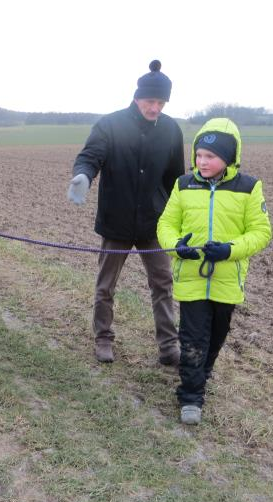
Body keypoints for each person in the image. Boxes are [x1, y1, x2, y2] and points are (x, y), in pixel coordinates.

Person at [68, 60, 185, 365]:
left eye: (161, 102)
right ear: (137, 97)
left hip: (154, 223)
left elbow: (175, 178)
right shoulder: (110, 125)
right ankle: (103, 338)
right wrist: (83, 175)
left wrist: (183, 212)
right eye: (150, 101)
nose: (155, 108)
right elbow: (90, 157)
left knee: (162, 283)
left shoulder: (172, 130)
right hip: (116, 221)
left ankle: (169, 345)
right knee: (106, 285)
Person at [157, 118, 272, 425]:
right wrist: (175, 246)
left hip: (226, 280)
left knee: (217, 335)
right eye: (198, 155)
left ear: (229, 158)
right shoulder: (183, 185)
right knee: (193, 337)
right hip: (192, 276)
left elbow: (261, 232)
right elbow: (166, 225)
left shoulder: (249, 188)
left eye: (210, 156)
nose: (202, 161)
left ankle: (201, 374)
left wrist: (229, 250)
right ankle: (191, 396)